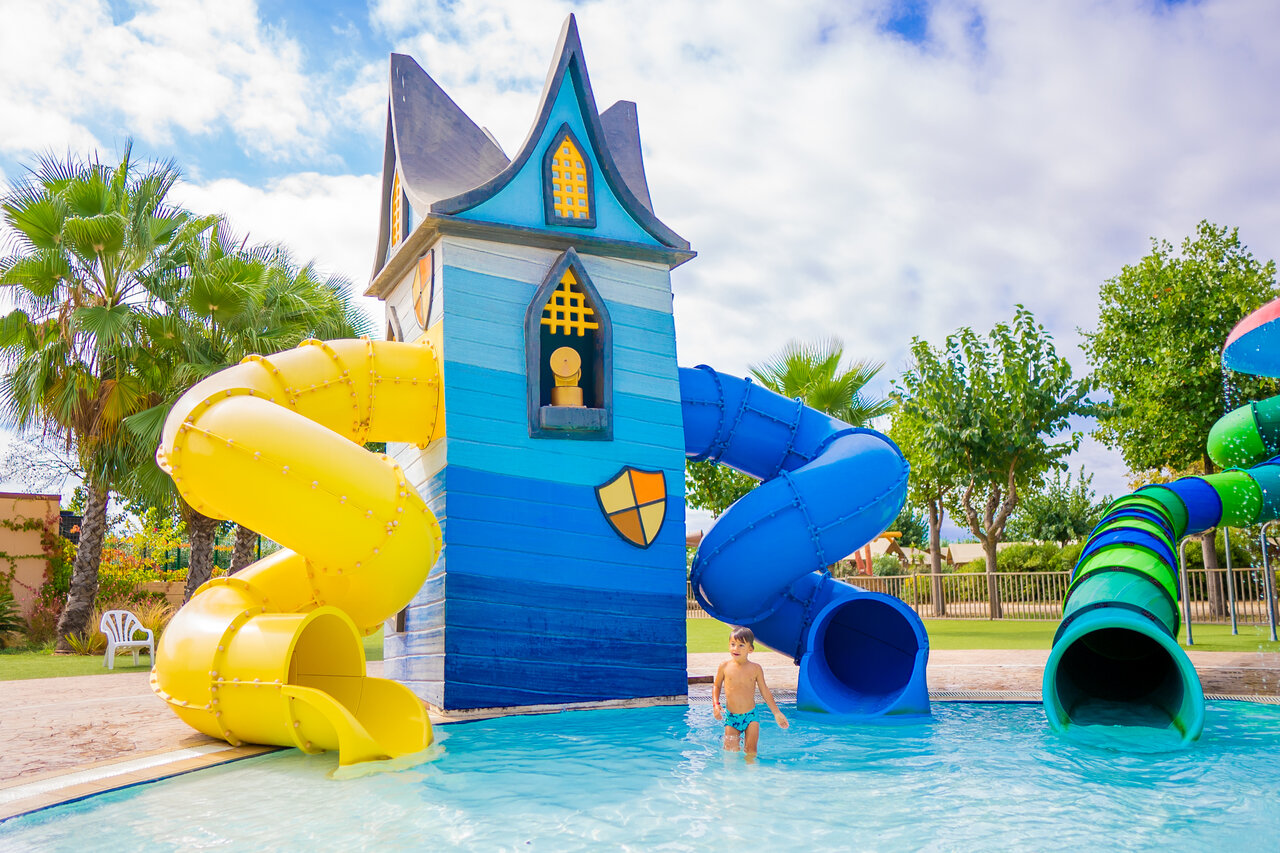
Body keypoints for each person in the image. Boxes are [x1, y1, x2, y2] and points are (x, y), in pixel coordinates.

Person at [712, 625, 788, 755]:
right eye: (733, 644)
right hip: (731, 717)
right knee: (730, 752)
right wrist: (716, 705)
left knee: (751, 751)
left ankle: (751, 774)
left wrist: (776, 713)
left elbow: (765, 691)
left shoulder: (755, 669)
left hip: (751, 716)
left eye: (741, 645)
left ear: (750, 649)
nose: (736, 648)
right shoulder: (724, 667)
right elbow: (717, 686)